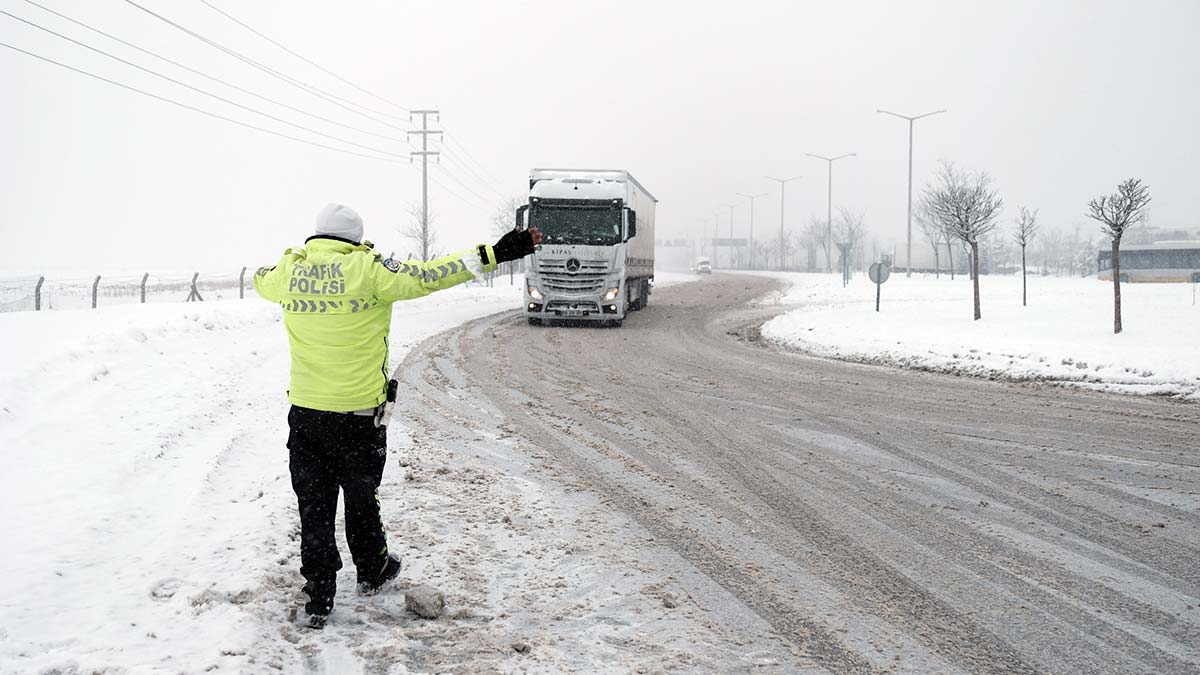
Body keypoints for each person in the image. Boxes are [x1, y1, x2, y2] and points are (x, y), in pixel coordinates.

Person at [253, 203, 540, 628]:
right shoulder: (369, 270)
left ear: (316, 237)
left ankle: (319, 594)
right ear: (355, 240)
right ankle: (372, 569)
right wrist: (497, 252)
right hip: (357, 417)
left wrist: (292, 258)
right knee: (361, 494)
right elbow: (430, 275)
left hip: (307, 415)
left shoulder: (289, 273)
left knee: (313, 504)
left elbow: (262, 279)